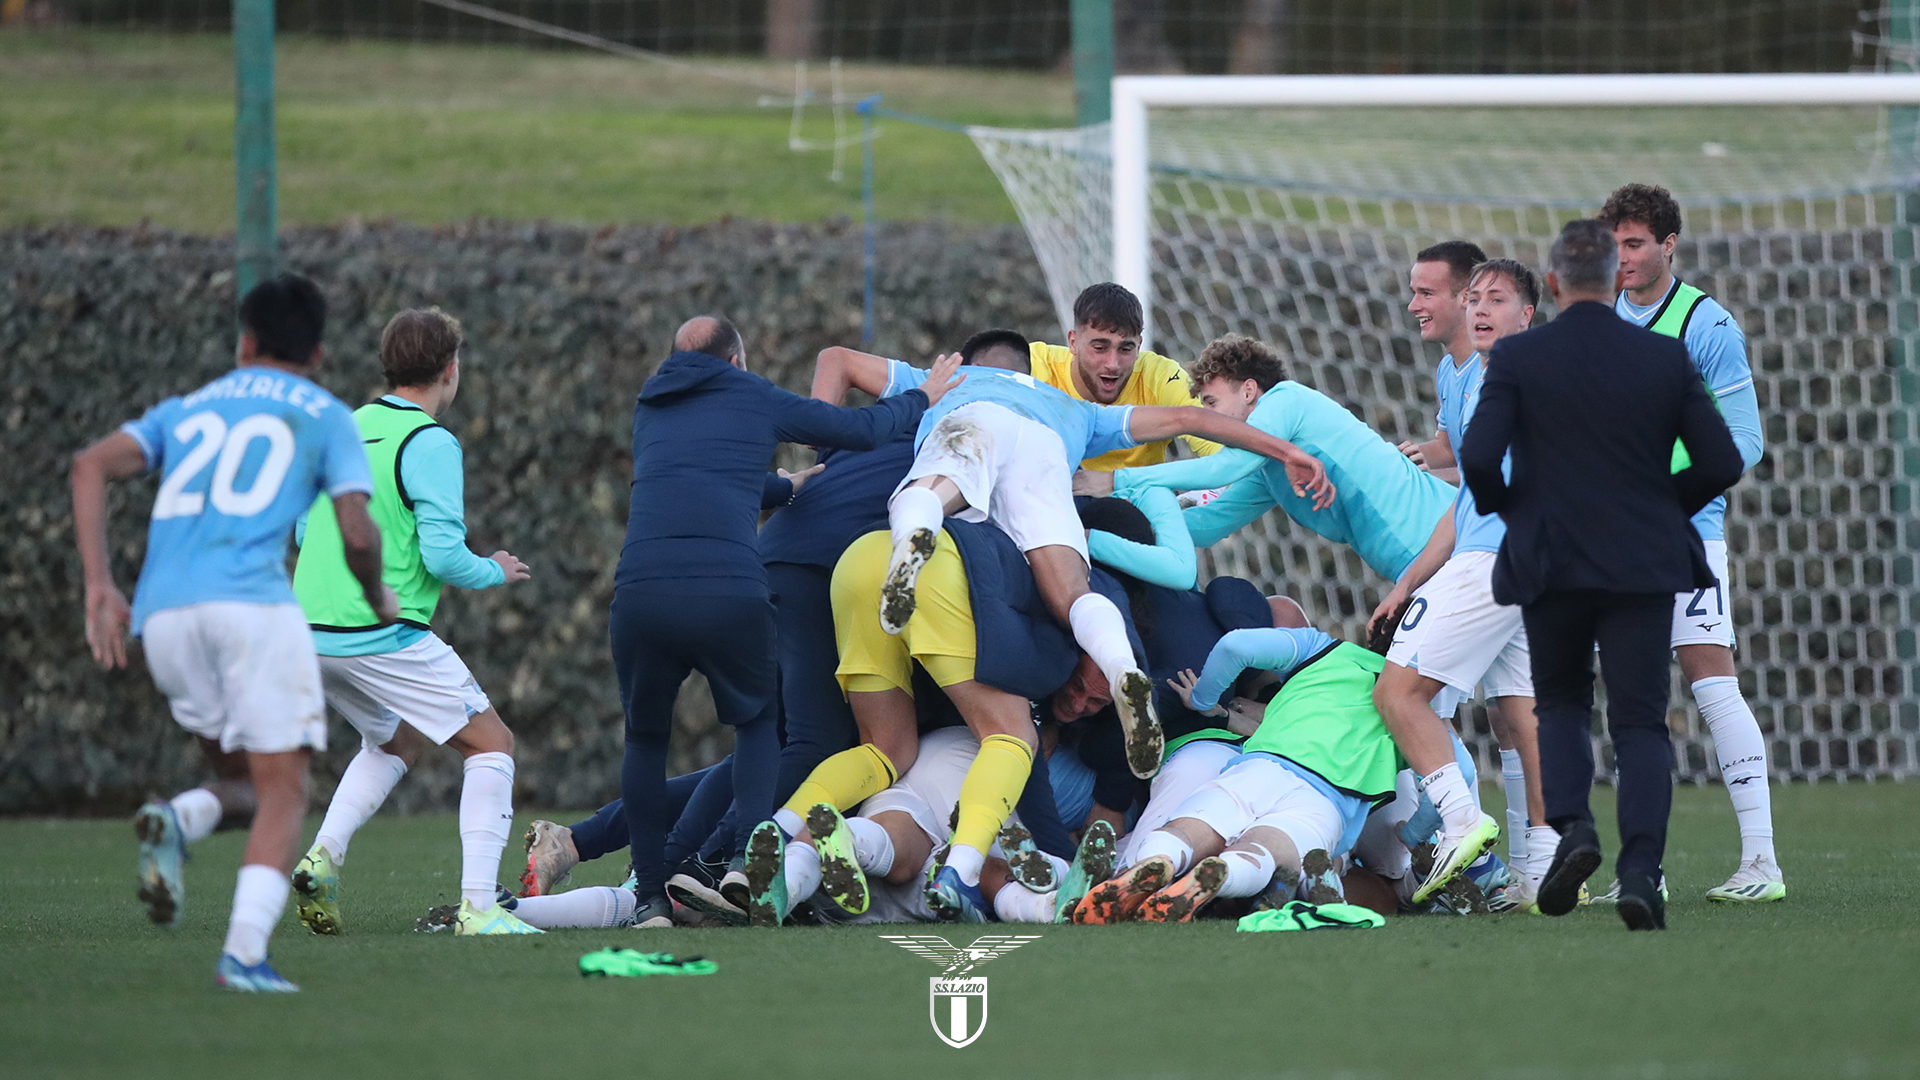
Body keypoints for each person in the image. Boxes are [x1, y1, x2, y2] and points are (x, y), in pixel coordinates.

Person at [69, 273, 394, 991]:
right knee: (285, 793)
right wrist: (379, 597)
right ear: (317, 353)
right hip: (251, 611)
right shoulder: (327, 412)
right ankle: (244, 956)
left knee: (239, 780)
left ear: (244, 343)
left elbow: (88, 466)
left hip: (165, 618)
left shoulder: (187, 409)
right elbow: (355, 532)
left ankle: (177, 821)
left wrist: (99, 584)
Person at [875, 331, 1333, 838]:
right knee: (1074, 598)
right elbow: (1189, 419)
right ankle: (1120, 669)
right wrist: (1284, 450)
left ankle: (916, 534)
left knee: (925, 497)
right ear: (1033, 372)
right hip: (1049, 458)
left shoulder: (950, 380)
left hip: (976, 431)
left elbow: (840, 362)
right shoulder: (1076, 411)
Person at [611, 315, 962, 929]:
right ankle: (747, 865)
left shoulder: (650, 406)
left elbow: (702, 479)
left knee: (644, 742)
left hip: (640, 591)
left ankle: (646, 898)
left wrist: (779, 488)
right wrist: (921, 397)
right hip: (727, 588)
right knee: (758, 730)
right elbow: (859, 426)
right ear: (738, 361)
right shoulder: (751, 393)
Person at [1457, 219, 1743, 931]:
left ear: (1551, 285)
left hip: (1552, 556)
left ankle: (1576, 830)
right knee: (1642, 720)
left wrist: (1519, 512)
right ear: (1619, 278)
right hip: (1641, 561)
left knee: (1558, 704)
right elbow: (1722, 462)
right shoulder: (1663, 358)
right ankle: (1642, 871)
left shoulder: (1519, 359)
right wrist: (1658, 506)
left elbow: (1479, 461)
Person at [286, 308, 539, 937]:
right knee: (492, 744)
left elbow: (300, 527)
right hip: (378, 632)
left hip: (309, 632)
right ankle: (480, 909)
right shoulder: (429, 441)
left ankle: (323, 858)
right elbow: (442, 556)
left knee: (394, 740)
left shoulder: (342, 428)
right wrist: (494, 570)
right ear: (450, 371)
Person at [1601, 182, 1781, 903]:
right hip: (1609, 539)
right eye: (1614, 243)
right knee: (1629, 700)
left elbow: (1745, 443)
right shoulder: (1600, 320)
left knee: (1710, 680)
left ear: (1669, 245)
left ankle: (1762, 863)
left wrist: (1658, 489)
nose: (1623, 257)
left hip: (1684, 533)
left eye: (1636, 243)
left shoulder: (1707, 326)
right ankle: (1647, 871)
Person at [1369, 260, 1556, 908]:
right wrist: (1409, 581)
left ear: (1527, 314)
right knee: (1522, 720)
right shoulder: (1477, 378)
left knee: (1397, 694)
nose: (1480, 309)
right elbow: (1466, 500)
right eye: (1474, 298)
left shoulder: (1520, 375)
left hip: (1496, 561)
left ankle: (1457, 819)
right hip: (1518, 561)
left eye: (1495, 300)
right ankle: (1544, 871)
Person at [1072, 623, 1405, 925]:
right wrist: (1420, 835)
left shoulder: (1322, 648)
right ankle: (1223, 872)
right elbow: (1448, 788)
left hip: (1254, 766)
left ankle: (1151, 862)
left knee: (1189, 830)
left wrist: (1205, 701)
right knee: (1264, 851)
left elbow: (1235, 646)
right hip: (1323, 800)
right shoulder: (1419, 711)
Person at [1077, 333, 1455, 585]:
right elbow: (1207, 525)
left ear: (1249, 391)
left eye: (1210, 404)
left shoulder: (1286, 400)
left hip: (1448, 538)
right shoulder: (1266, 465)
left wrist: (1115, 481)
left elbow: (1222, 468)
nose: (1207, 421)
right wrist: (1113, 527)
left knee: (1402, 694)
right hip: (1418, 564)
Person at [810, 282, 1221, 472]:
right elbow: (838, 360)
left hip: (1121, 520)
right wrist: (820, 452)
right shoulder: (1027, 371)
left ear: (1141, 344)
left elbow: (1209, 437)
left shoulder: (1161, 376)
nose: (1113, 364)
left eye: (1126, 348)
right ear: (1073, 341)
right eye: (1099, 348)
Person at [1398, 239, 1489, 484]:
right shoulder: (1448, 368)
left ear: (1467, 297)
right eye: (1414, 293)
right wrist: (1394, 460)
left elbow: (1500, 472)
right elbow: (1448, 450)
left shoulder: (1501, 373)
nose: (1413, 306)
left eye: (1426, 293)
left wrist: (1420, 479)